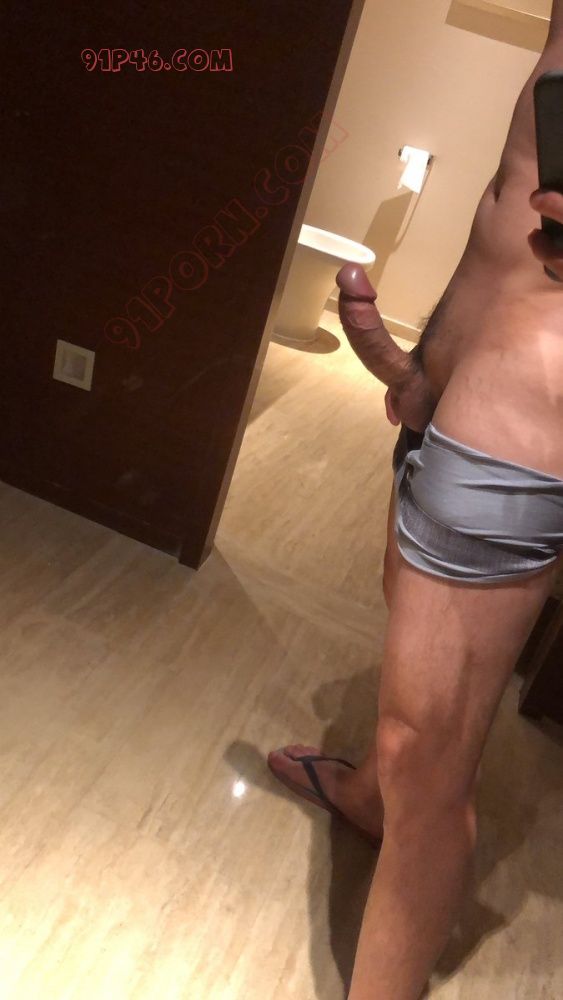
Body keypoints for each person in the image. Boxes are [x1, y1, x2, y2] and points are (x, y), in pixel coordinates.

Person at [268, 3, 563, 997]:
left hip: (522, 413)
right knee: (401, 635)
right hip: (459, 386)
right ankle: (365, 798)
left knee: (426, 763)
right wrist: (428, 365)